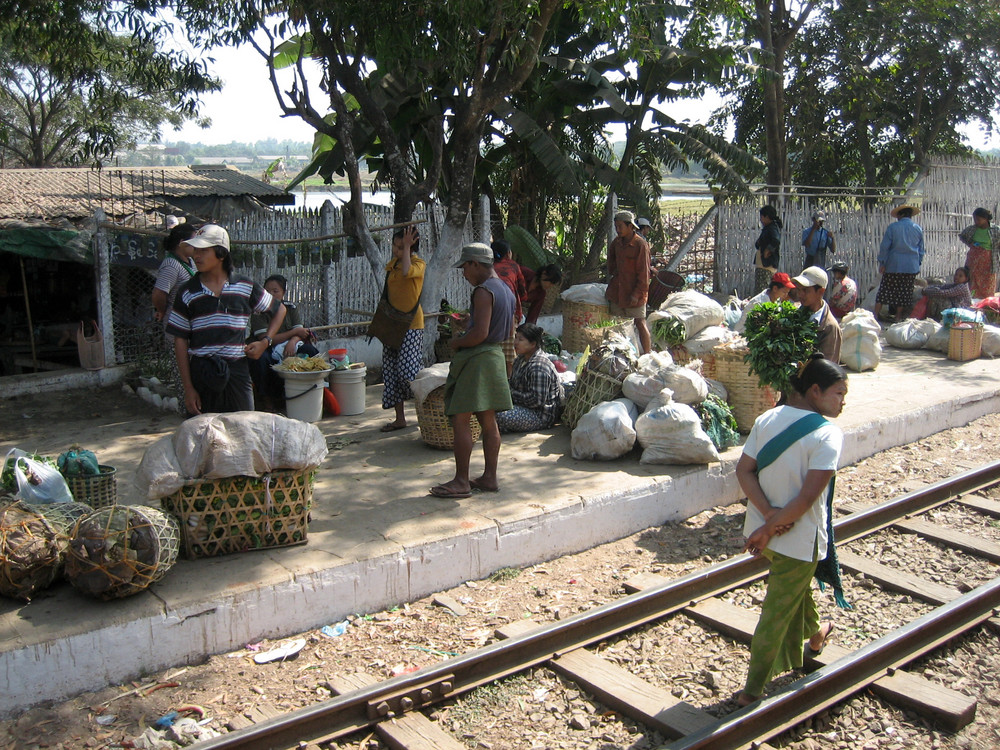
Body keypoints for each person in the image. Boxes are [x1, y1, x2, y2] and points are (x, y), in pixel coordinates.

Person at [735, 353, 849, 707]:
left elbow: (744, 471)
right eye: (839, 394)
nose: (843, 402)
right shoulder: (828, 435)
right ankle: (753, 689)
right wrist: (772, 527)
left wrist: (766, 519)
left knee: (792, 592)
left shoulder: (767, 418)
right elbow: (806, 498)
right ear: (815, 390)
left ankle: (816, 636)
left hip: (760, 533)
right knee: (776, 612)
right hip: (795, 541)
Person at [166, 224, 286, 416]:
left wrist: (265, 342)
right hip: (203, 371)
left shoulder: (245, 286)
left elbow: (279, 310)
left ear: (221, 254)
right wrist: (188, 388)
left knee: (244, 428)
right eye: (195, 249)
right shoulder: (187, 292)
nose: (196, 255)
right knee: (205, 434)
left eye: (203, 250)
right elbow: (180, 340)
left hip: (237, 371)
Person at [430, 243, 515, 499]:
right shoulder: (506, 290)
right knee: (488, 421)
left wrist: (455, 341)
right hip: (494, 357)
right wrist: (470, 321)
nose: (464, 273)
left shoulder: (482, 291)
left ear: (475, 264)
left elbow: (479, 334)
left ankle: (461, 481)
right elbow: (498, 327)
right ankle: (489, 477)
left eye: (465, 268)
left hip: (477, 359)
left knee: (461, 419)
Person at [247, 274, 320, 411]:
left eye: (275, 291)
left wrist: (293, 341)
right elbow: (266, 339)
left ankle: (315, 392)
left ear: (283, 293)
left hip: (288, 345)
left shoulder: (290, 308)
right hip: (265, 346)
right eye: (267, 291)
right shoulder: (258, 312)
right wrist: (293, 334)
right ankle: (267, 399)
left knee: (310, 352)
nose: (271, 294)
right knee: (261, 359)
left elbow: (301, 332)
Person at [380, 226, 425, 432]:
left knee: (407, 372)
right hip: (392, 325)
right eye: (396, 246)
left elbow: (407, 272)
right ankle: (400, 418)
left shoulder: (418, 264)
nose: (397, 250)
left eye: (402, 247)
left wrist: (407, 246)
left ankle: (425, 412)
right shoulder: (392, 266)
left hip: (412, 326)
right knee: (390, 372)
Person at [495, 323, 563, 433]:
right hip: (522, 406)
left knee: (497, 415)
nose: (515, 342)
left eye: (520, 340)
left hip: (540, 415)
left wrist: (510, 393)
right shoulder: (520, 359)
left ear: (533, 344)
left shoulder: (539, 366)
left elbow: (536, 401)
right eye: (515, 338)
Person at [605, 210, 652, 354]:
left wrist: (636, 294)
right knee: (618, 325)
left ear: (630, 227)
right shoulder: (616, 243)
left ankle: (648, 354)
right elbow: (611, 265)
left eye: (620, 227)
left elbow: (644, 274)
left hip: (634, 292)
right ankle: (623, 355)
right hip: (618, 292)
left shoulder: (640, 245)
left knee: (639, 323)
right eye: (616, 227)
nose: (617, 230)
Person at [875, 205, 924, 323]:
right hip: (910, 267)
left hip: (893, 265)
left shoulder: (893, 227)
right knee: (904, 292)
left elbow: (885, 247)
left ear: (900, 215)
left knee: (885, 291)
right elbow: (921, 250)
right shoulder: (917, 229)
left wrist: (882, 262)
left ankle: (875, 315)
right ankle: (898, 317)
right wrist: (918, 263)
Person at [152, 223, 197, 333]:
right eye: (193, 242)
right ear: (182, 243)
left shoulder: (190, 261)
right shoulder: (171, 265)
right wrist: (162, 310)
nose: (196, 246)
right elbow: (158, 294)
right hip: (177, 321)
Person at [792, 267, 842, 364]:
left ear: (820, 291)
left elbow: (826, 368)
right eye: (798, 289)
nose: (800, 294)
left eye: (806, 290)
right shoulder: (795, 313)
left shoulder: (829, 328)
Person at [958, 208, 1000, 299]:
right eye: (975, 219)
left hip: (988, 263)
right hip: (973, 262)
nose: (976, 222)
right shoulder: (972, 229)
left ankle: (986, 305)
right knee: (972, 282)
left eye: (978, 219)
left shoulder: (995, 230)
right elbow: (962, 236)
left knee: (988, 282)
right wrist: (971, 244)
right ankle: (972, 302)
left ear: (985, 219)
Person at [491, 239, 527, 323]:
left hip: (489, 299)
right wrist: (523, 298)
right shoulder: (513, 265)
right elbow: (522, 288)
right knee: (520, 321)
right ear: (508, 253)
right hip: (508, 301)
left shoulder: (488, 266)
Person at [754, 205, 783, 291]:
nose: (761, 219)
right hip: (763, 263)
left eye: (762, 217)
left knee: (762, 289)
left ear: (767, 217)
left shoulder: (772, 228)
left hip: (766, 264)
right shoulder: (768, 228)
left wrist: (768, 250)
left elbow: (776, 240)